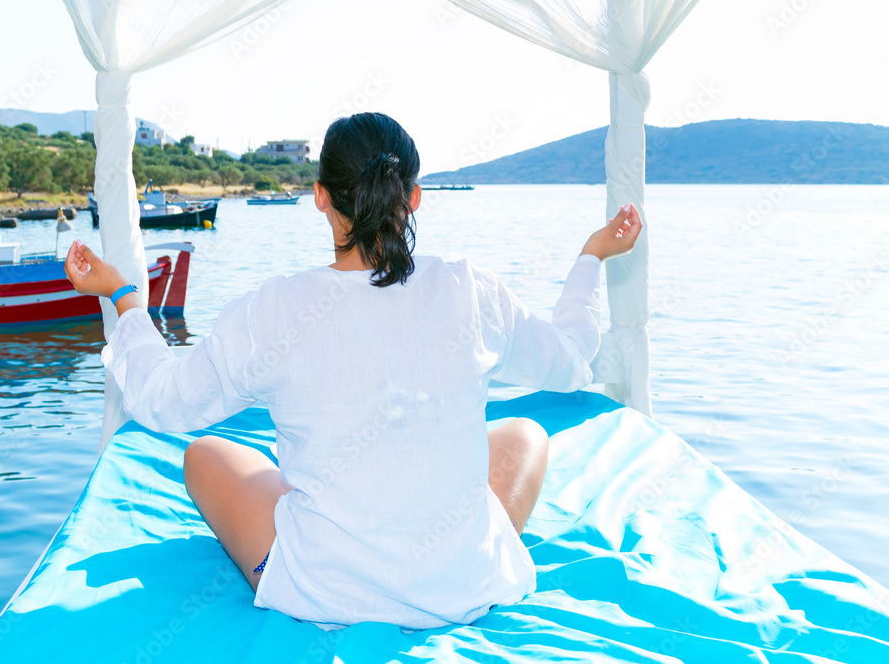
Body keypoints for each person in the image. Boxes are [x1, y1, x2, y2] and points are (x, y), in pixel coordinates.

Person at [64, 112, 641, 631]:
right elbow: (570, 361)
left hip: (324, 592)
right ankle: (449, 565)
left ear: (320, 196)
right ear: (413, 197)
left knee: (205, 454)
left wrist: (123, 297)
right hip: (465, 586)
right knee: (526, 435)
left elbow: (165, 403)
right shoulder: (472, 292)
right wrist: (591, 257)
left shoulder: (277, 312)